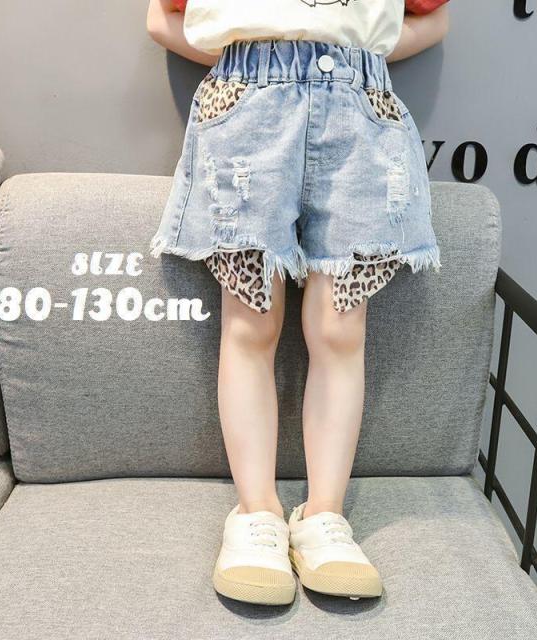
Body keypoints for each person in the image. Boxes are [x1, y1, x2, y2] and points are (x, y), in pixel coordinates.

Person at [146, 0, 449, 606]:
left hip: (361, 110)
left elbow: (433, 19)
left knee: (341, 328)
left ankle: (323, 515)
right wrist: (256, 54)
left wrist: (343, 55)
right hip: (248, 107)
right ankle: (256, 513)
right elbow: (161, 17)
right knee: (250, 322)